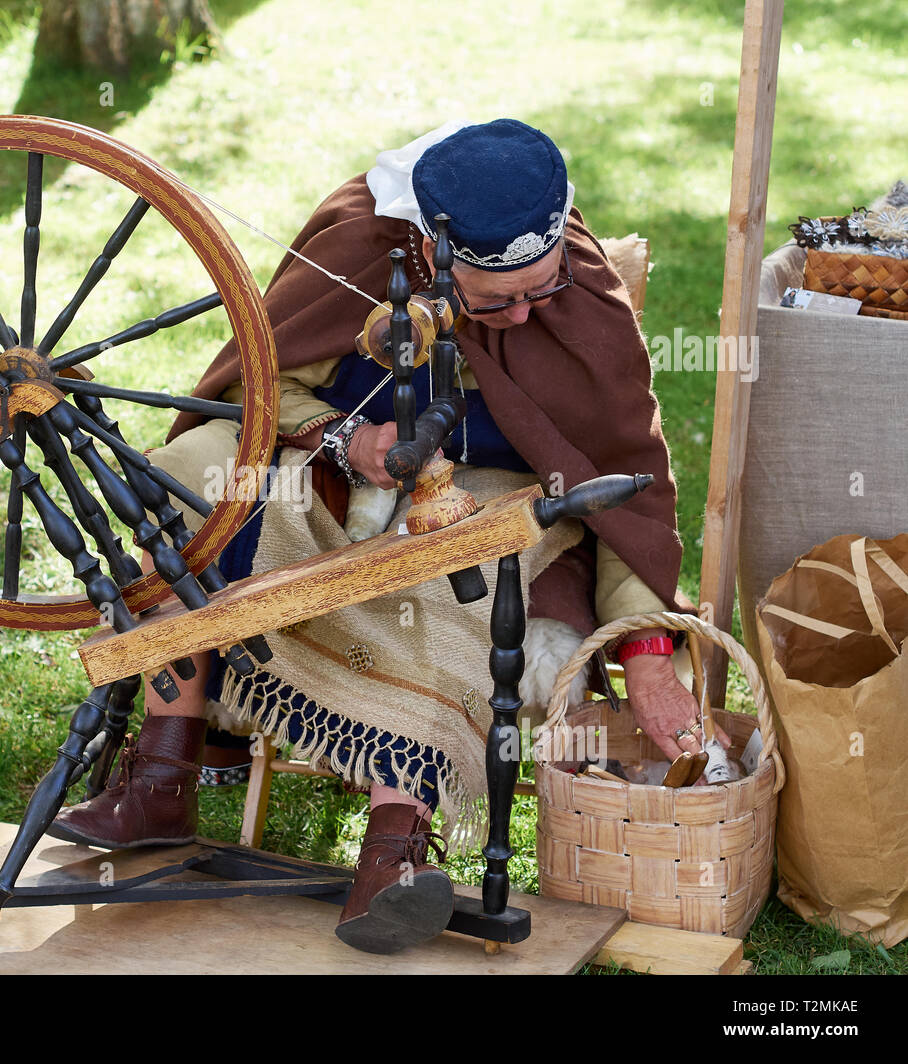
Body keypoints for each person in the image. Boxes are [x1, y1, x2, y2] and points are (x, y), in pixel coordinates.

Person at [48, 118, 721, 953]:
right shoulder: (363, 244)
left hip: (499, 500)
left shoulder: (582, 301)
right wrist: (345, 439)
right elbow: (262, 389)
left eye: (537, 293)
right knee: (189, 483)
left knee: (457, 578)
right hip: (331, 464)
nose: (521, 314)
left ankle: (394, 852)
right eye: (496, 299)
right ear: (438, 258)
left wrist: (647, 658)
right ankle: (162, 775)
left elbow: (625, 484)